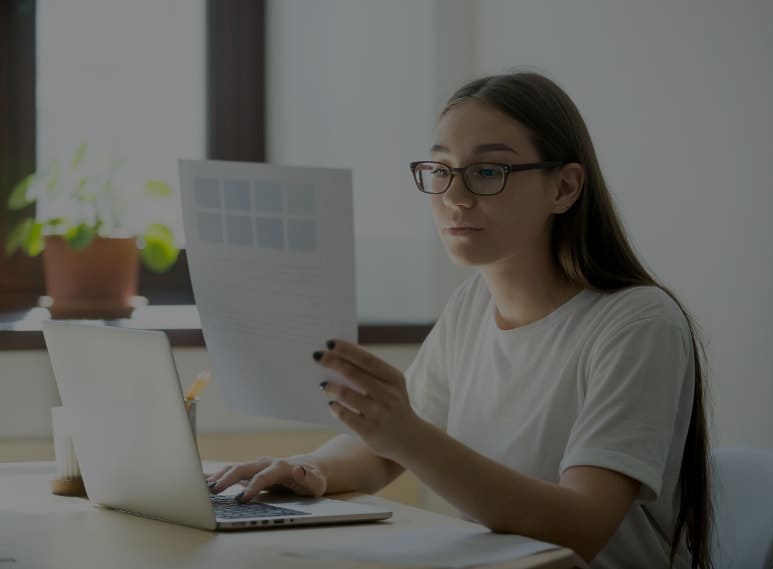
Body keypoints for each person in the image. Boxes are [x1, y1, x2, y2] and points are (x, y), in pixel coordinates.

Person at [206, 72, 712, 569]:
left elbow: (580, 527)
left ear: (564, 187)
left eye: (489, 172)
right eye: (442, 169)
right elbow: (381, 452)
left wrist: (405, 435)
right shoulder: (471, 305)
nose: (454, 197)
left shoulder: (638, 324)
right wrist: (303, 469)